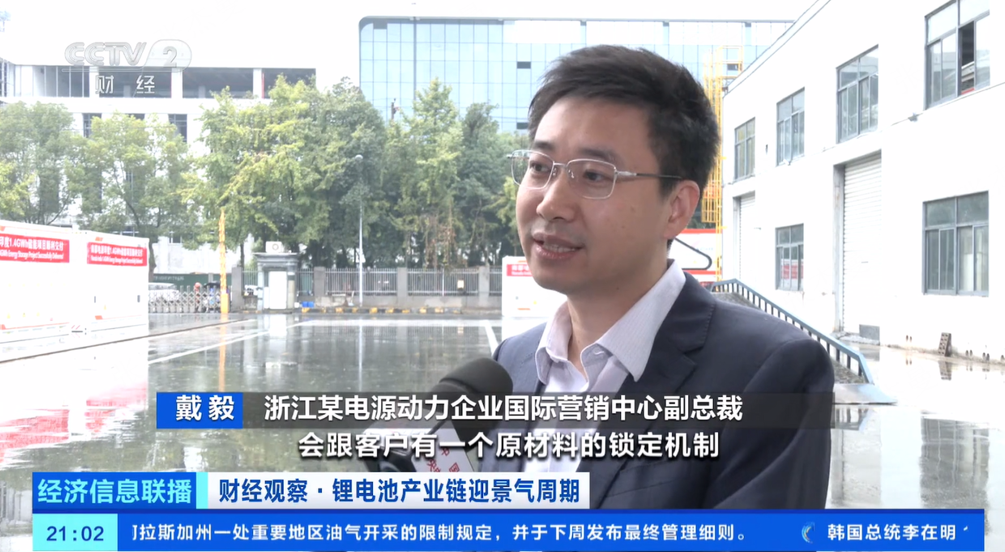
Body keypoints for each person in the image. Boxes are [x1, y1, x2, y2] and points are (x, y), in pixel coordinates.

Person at [481, 45, 834, 510]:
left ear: (676, 207)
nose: (550, 203)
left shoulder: (769, 374)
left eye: (594, 175)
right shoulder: (511, 363)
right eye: (540, 168)